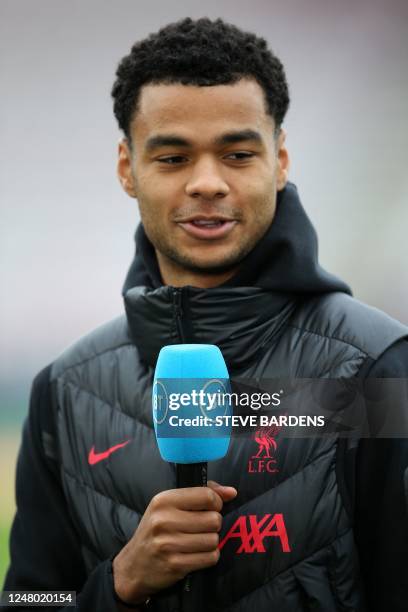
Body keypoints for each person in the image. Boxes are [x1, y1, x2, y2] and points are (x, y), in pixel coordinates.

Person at [3, 17, 408, 612]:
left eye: (238, 154)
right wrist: (116, 585)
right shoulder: (64, 390)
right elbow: (32, 602)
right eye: (172, 158)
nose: (207, 183)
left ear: (280, 159)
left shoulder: (377, 367)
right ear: (127, 167)